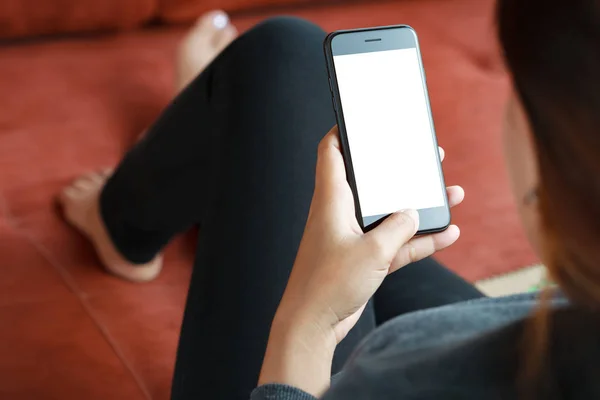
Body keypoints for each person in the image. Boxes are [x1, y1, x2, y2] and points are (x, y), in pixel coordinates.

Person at [58, 0, 600, 398]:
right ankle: (229, 149)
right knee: (350, 209)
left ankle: (131, 214)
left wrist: (308, 322)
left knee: (280, 57)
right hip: (515, 340)